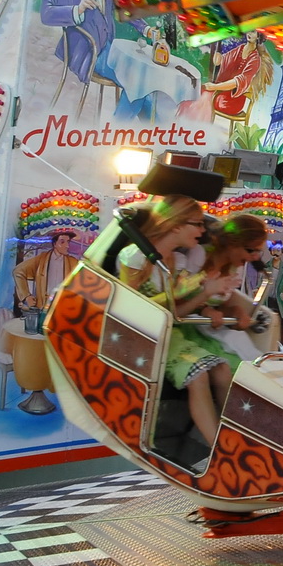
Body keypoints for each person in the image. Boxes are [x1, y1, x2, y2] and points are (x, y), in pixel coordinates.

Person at [115, 196, 236, 458]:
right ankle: (220, 449)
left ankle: (236, 437)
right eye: (198, 224)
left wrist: (205, 295)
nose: (203, 231)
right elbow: (133, 309)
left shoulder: (177, 263)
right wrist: (184, 291)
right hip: (144, 338)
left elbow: (175, 314)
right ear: (176, 225)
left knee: (223, 370)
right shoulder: (134, 257)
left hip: (171, 334)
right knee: (199, 374)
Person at [195, 213, 277, 360]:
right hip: (190, 326)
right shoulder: (198, 257)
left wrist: (236, 312)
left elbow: (220, 307)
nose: (256, 258)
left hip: (210, 326)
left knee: (240, 341)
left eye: (259, 251)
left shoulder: (235, 270)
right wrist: (203, 310)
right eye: (251, 250)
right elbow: (178, 297)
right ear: (233, 243)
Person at [12, 230, 80, 317]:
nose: (67, 246)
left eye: (68, 242)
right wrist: (26, 296)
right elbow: (18, 271)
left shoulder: (73, 262)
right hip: (44, 306)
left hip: (64, 307)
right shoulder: (42, 260)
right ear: (54, 244)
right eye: (62, 242)